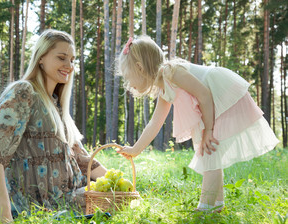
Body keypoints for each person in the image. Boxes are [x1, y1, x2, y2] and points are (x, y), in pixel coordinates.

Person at [116, 36, 279, 212]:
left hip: (221, 94)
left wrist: (208, 130)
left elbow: (204, 94)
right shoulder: (164, 87)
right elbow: (155, 123)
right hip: (211, 104)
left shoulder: (172, 72)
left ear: (140, 68)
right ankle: (216, 205)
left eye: (128, 77)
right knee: (210, 153)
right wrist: (135, 150)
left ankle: (205, 208)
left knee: (208, 151)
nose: (128, 84)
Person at [0, 29, 107, 224]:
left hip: (67, 196)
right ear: (41, 58)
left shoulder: (55, 103)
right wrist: (3, 211)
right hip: (40, 204)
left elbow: (79, 157)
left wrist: (116, 182)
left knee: (121, 198)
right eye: (62, 58)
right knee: (113, 202)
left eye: (72, 60)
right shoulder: (24, 91)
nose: (69, 66)